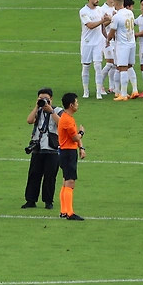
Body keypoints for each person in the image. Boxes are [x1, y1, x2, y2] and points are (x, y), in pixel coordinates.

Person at [22, 88, 60, 210]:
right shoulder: (38, 111)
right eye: (40, 98)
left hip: (52, 148)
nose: (43, 101)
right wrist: (36, 106)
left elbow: (62, 124)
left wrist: (51, 111)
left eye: (46, 99)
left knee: (50, 177)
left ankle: (48, 201)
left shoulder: (58, 110)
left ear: (51, 99)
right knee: (34, 175)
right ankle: (30, 200)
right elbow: (29, 120)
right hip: (37, 147)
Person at [57, 93, 85, 221]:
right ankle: (69, 213)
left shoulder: (67, 117)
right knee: (70, 182)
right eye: (76, 102)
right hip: (68, 153)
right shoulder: (67, 120)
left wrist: (81, 148)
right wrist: (82, 132)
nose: (77, 105)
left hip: (65, 152)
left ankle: (64, 211)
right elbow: (75, 137)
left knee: (65, 181)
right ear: (71, 105)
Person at [78, 0, 110, 99]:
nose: (97, 0)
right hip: (87, 42)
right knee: (86, 66)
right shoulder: (83, 11)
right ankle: (86, 91)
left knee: (98, 66)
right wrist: (102, 21)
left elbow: (102, 26)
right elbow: (90, 25)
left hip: (98, 42)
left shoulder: (100, 10)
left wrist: (107, 37)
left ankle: (98, 92)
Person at [106, 0, 138, 101]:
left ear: (116, 3)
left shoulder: (117, 17)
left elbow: (112, 31)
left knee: (122, 68)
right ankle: (135, 90)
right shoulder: (130, 13)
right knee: (130, 66)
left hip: (123, 45)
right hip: (132, 43)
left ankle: (123, 94)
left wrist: (107, 39)